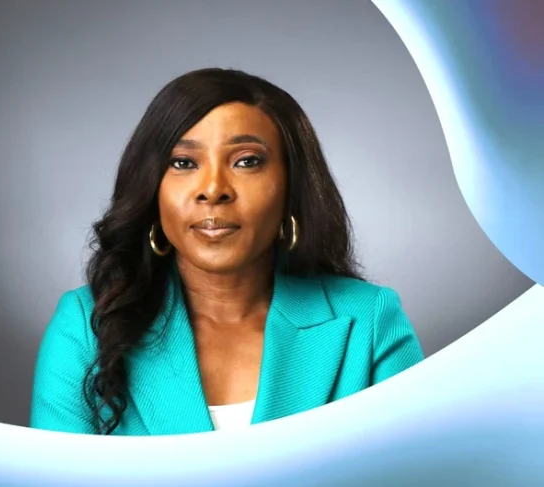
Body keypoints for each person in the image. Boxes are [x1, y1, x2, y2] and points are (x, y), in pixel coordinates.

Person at [29, 67, 424, 436]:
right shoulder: (86, 326)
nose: (213, 189)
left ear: (292, 185)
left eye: (246, 161)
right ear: (152, 187)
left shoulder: (370, 321)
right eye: (183, 162)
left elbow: (418, 469)